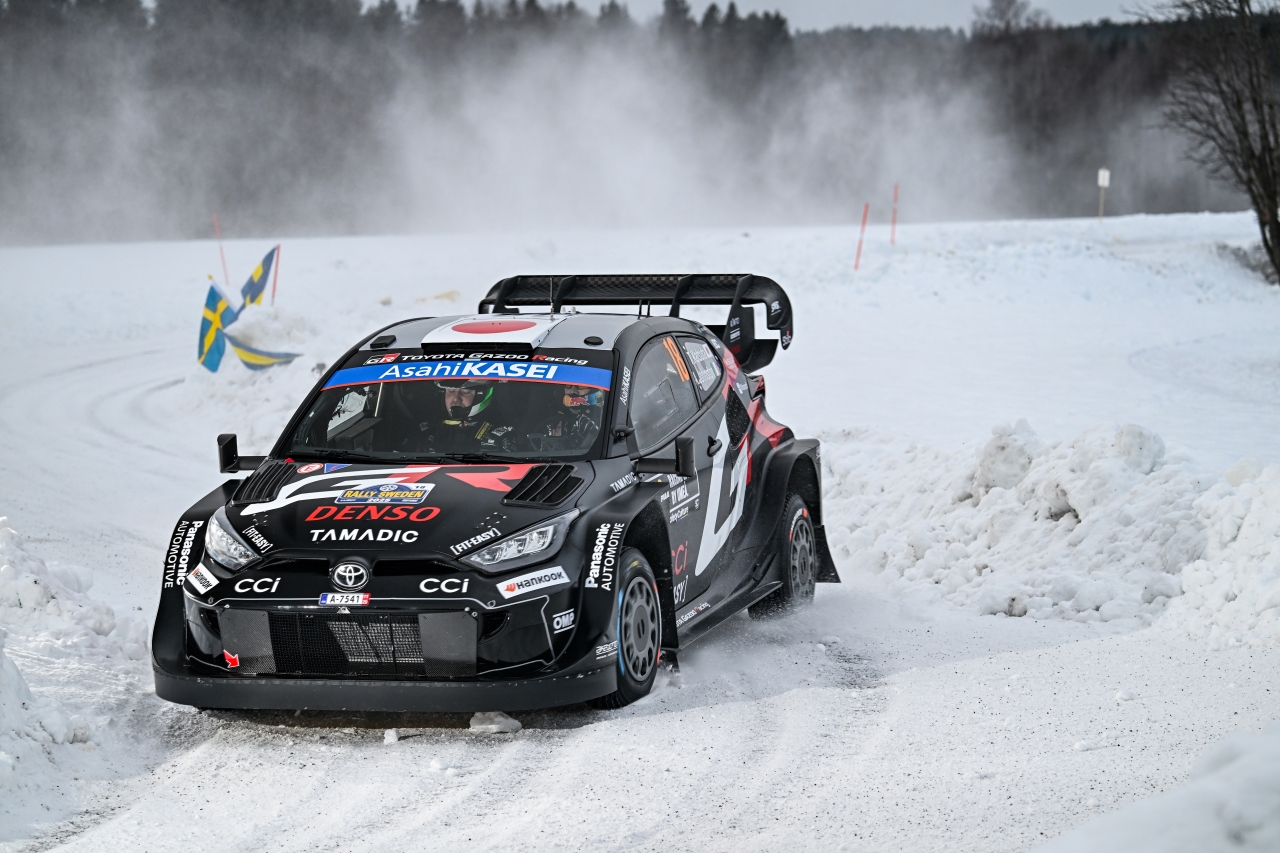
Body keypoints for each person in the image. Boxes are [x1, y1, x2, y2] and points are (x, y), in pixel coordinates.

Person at [529, 384, 605, 452]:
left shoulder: (604, 417)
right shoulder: (552, 421)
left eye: (581, 386)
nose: (573, 391)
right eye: (568, 386)